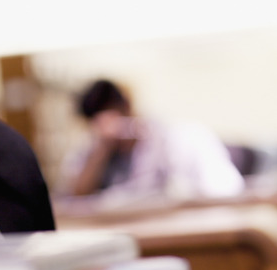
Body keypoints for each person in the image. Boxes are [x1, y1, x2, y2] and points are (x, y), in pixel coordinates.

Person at [57, 79, 244, 203]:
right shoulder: (90, 152)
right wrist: (101, 151)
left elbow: (225, 189)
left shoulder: (179, 139)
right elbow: (75, 200)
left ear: (127, 108)